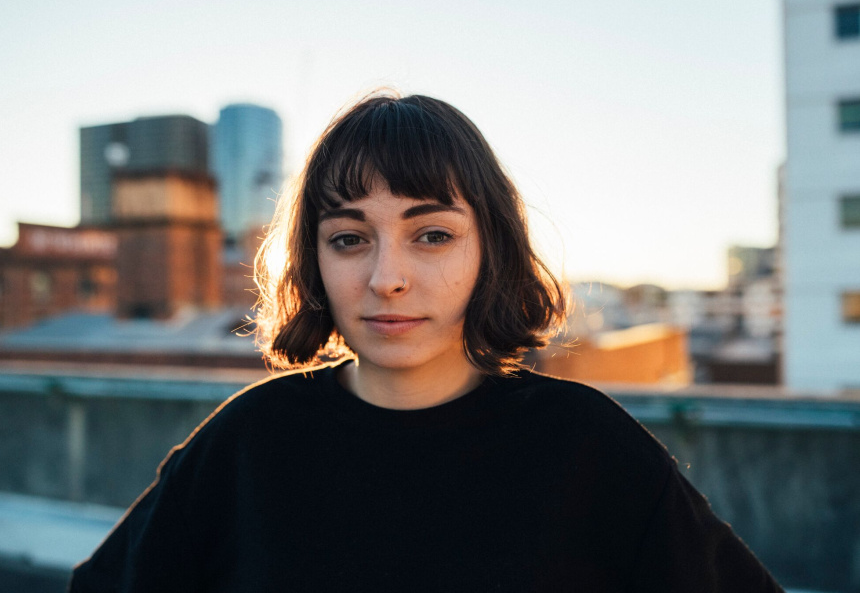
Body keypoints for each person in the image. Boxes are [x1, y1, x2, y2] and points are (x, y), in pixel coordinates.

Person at [69, 91, 785, 592]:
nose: (387, 278)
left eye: (433, 235)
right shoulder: (246, 442)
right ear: (314, 259)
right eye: (349, 239)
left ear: (490, 248)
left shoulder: (589, 445)